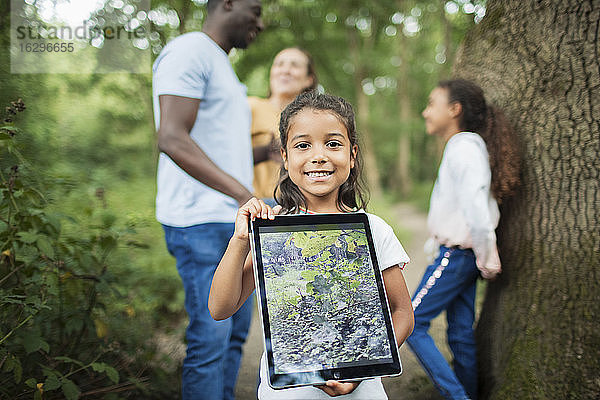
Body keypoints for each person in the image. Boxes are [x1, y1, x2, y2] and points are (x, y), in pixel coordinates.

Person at [208, 91, 415, 399]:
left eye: (333, 143)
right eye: (303, 145)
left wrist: (362, 370)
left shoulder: (374, 230)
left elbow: (403, 313)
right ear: (284, 155)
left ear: (353, 154)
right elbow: (220, 308)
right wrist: (241, 240)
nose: (319, 155)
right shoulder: (271, 232)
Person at [151, 0, 264, 399]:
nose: (260, 23)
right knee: (211, 342)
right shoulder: (189, 50)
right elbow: (171, 138)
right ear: (227, 4)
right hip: (198, 221)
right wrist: (244, 195)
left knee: (234, 338)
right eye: (255, 10)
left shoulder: (221, 66)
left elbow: (219, 153)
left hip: (230, 219)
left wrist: (271, 152)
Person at [406, 79, 521, 400]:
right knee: (460, 334)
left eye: (432, 104)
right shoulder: (463, 147)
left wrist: (488, 257)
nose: (425, 111)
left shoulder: (465, 148)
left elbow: (476, 210)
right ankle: (468, 391)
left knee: (412, 325)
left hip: (458, 256)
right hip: (462, 255)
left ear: (454, 110)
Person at [249, 47, 318, 205]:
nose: (285, 70)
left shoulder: (314, 119)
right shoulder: (250, 107)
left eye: (294, 65)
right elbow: (226, 157)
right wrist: (266, 151)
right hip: (258, 204)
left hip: (303, 205)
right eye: (279, 64)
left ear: (309, 79)